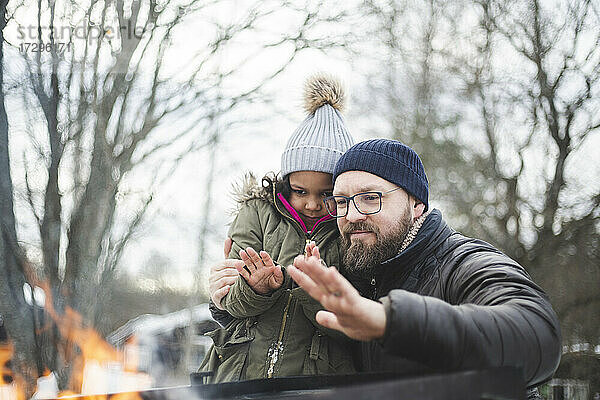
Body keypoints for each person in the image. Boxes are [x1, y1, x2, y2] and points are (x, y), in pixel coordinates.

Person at [287, 138, 562, 389]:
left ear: (416, 203)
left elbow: (538, 336)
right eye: (342, 202)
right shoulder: (360, 275)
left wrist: (392, 321)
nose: (352, 215)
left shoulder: (462, 261)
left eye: (370, 198)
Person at [199, 74, 356, 382]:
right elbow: (230, 302)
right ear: (286, 183)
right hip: (239, 378)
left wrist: (314, 289)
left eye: (325, 194)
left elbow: (350, 327)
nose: (311, 204)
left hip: (316, 382)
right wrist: (256, 288)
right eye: (300, 191)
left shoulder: (349, 229)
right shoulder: (256, 212)